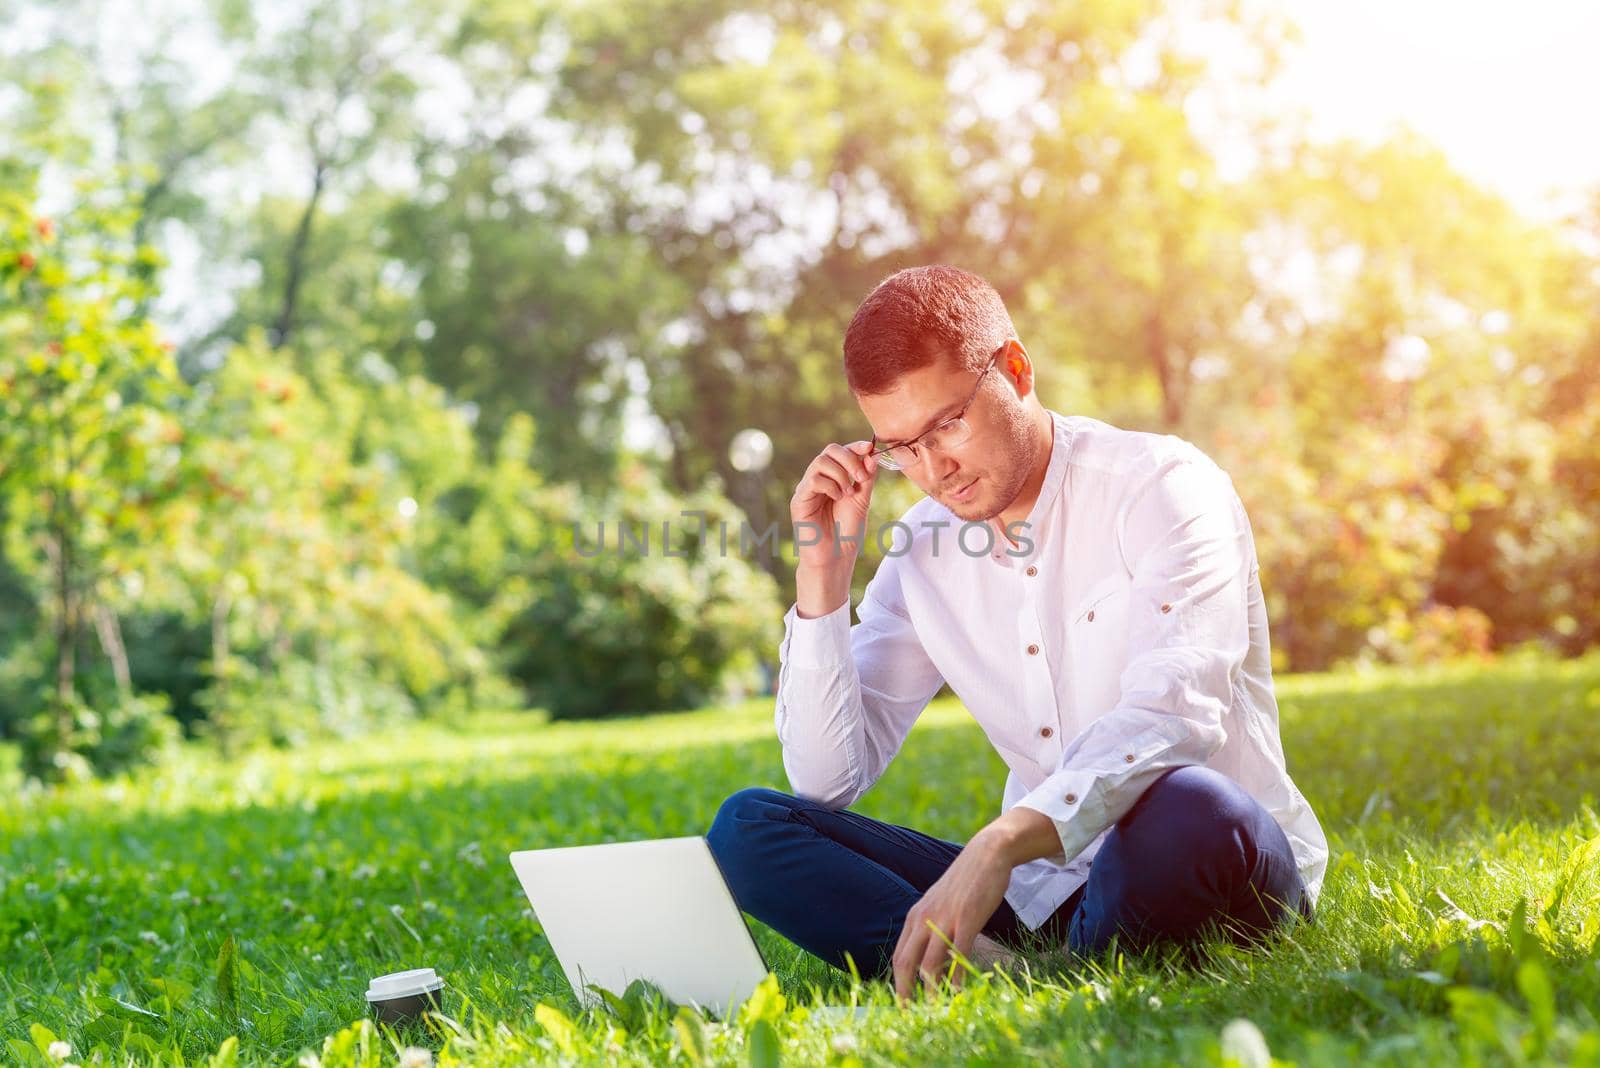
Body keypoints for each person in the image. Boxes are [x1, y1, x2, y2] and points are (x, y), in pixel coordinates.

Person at [705, 265, 1328, 1001]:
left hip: (1197, 854)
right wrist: (822, 582)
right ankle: (1016, 972)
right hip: (1045, 893)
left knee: (1188, 804)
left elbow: (1172, 712)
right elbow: (826, 779)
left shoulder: (1161, 485)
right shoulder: (921, 550)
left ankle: (1045, 970)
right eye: (902, 448)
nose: (935, 470)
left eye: (947, 425)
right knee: (750, 829)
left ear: (1017, 369)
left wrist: (998, 845)